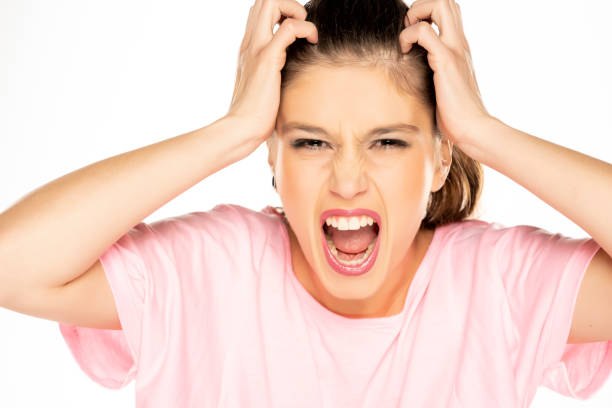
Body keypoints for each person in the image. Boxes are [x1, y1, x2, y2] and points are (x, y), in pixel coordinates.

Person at [1, 0, 611, 406]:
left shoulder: (498, 284)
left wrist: (486, 132)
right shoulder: (207, 270)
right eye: (312, 141)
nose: (348, 180)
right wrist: (230, 132)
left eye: (389, 141)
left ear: (441, 158)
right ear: (273, 155)